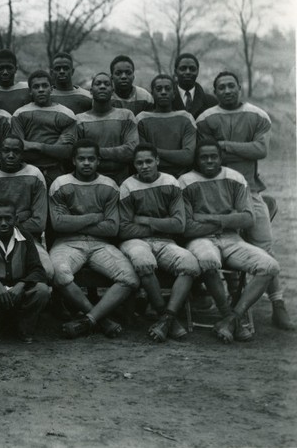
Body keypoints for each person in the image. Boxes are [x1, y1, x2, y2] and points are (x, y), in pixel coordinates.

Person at [196, 71, 293, 330]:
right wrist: (237, 147)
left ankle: (277, 304)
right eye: (221, 87)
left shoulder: (258, 115)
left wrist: (225, 145)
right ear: (214, 92)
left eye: (231, 86)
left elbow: (260, 149)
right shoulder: (206, 118)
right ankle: (224, 301)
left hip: (249, 191)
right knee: (216, 246)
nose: (227, 91)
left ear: (240, 88)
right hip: (217, 192)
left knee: (265, 246)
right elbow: (205, 154)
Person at [180, 140, 280, 342]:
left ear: (220, 158)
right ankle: (226, 314)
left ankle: (233, 318)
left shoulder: (235, 177)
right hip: (200, 239)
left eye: (213, 156)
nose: (209, 161)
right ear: (197, 160)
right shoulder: (184, 181)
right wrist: (228, 219)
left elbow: (248, 218)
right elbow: (187, 227)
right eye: (204, 157)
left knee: (269, 265)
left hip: (231, 239)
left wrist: (209, 218)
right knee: (208, 260)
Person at [49, 139, 139, 338]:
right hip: (68, 242)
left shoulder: (109, 185)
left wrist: (74, 220)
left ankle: (88, 320)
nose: (86, 163)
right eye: (82, 159)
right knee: (58, 273)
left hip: (100, 244)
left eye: (91, 159)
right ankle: (101, 319)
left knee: (129, 278)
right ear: (74, 160)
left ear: (98, 160)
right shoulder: (60, 184)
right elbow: (58, 224)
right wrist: (94, 217)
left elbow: (112, 228)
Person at [118, 144, 199, 342]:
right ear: (134, 165)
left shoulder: (170, 182)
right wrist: (163, 224)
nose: (144, 166)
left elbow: (179, 224)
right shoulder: (128, 185)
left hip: (165, 241)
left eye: (148, 161)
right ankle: (166, 316)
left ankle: (167, 318)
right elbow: (125, 229)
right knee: (143, 261)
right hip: (135, 241)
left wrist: (145, 220)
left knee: (190, 264)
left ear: (157, 161)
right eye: (139, 163)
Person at [0, 201, 51, 343]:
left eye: (8, 218)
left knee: (42, 290)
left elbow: (37, 270)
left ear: (16, 219)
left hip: (20, 292)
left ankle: (25, 328)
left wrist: (22, 284)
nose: (3, 223)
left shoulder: (26, 237)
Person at [0, 135, 53, 281]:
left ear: (22, 153)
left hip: (29, 238)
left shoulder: (34, 174)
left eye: (16, 151)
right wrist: (23, 215)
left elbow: (38, 223)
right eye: (6, 151)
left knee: (48, 272)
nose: (11, 155)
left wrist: (3, 222)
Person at [64, 72, 138, 185]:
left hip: (122, 181)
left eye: (107, 84)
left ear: (113, 91)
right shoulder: (79, 120)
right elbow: (73, 153)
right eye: (98, 84)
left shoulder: (126, 116)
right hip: (88, 182)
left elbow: (131, 150)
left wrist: (93, 153)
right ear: (91, 91)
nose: (102, 86)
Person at [12, 69, 76, 185]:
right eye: (36, 87)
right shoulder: (19, 114)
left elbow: (67, 152)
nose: (41, 90)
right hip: (27, 171)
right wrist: (55, 146)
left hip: (56, 171)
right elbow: (18, 151)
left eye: (45, 86)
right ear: (30, 91)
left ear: (51, 88)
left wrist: (35, 145)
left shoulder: (66, 114)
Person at [136, 74, 197, 177]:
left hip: (181, 177)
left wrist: (153, 151)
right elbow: (142, 158)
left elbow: (188, 157)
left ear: (174, 94)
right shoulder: (141, 119)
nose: (163, 92)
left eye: (167, 89)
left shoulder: (186, 118)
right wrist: (176, 157)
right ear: (152, 94)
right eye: (159, 89)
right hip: (151, 178)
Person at [171, 52, 217, 118]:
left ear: (197, 72)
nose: (188, 72)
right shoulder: (166, 100)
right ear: (175, 72)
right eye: (183, 69)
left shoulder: (211, 102)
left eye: (192, 69)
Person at [0, 49, 28, 115]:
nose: (5, 72)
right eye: (1, 68)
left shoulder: (26, 89)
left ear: (16, 69)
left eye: (9, 68)